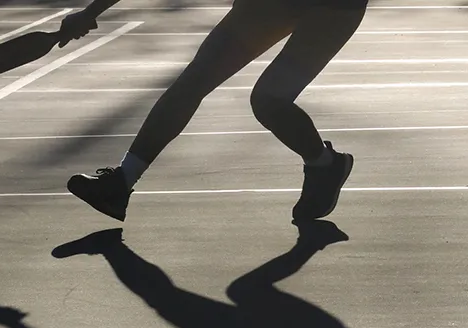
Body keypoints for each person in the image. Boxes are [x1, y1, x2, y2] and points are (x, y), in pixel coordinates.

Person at [59, 0, 369, 222]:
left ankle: (323, 164)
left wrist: (90, 12)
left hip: (334, 8)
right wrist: (91, 11)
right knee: (194, 81)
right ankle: (122, 182)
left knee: (268, 100)